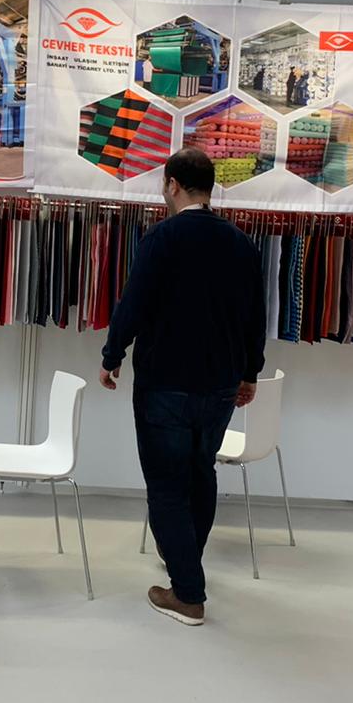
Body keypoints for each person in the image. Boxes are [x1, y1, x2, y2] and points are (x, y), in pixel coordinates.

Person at [99, 148, 267, 626]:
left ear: (172, 184)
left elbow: (133, 304)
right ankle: (184, 559)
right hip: (220, 386)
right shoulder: (241, 244)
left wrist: (112, 356)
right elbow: (256, 317)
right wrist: (250, 373)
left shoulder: (162, 238)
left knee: (167, 485)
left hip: (165, 382)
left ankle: (188, 594)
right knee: (200, 473)